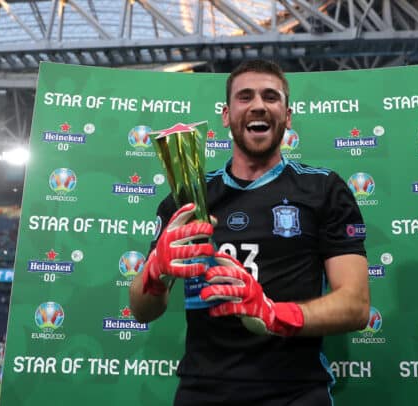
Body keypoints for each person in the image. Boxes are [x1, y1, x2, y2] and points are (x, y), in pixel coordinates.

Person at [130, 59, 370, 406]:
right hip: (202, 390)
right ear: (226, 115)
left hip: (296, 392)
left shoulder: (323, 189)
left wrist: (273, 314)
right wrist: (155, 272)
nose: (258, 105)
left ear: (287, 116)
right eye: (245, 97)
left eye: (271, 97)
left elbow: (356, 305)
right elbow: (142, 310)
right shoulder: (187, 198)